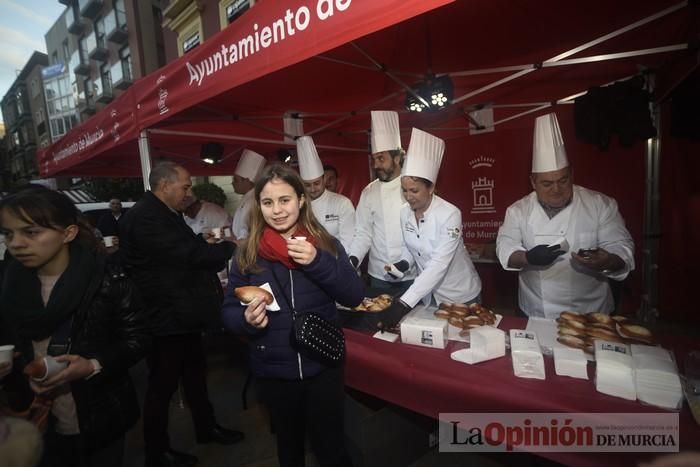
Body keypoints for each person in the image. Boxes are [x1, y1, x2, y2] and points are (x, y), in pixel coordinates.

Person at [222, 164, 362, 467]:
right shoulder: (247, 254)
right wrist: (245, 321)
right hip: (274, 370)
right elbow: (229, 310)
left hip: (323, 365)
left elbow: (353, 296)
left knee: (332, 448)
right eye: (268, 202)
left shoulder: (324, 244)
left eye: (285, 200)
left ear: (301, 199)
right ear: (258, 205)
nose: (277, 210)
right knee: (289, 448)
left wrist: (317, 262)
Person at [0, 186, 150, 467]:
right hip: (31, 421)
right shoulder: (7, 286)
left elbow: (139, 338)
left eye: (31, 232)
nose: (16, 243)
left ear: (68, 233)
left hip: (99, 417)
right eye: (8, 233)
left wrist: (93, 364)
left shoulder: (109, 279)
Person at [120, 162, 243, 467]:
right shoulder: (147, 217)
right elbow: (187, 256)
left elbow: (186, 246)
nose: (189, 193)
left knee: (195, 374)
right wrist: (229, 249)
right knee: (162, 385)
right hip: (164, 315)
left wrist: (206, 243)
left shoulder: (162, 213)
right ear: (164, 186)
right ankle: (156, 451)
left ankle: (206, 427)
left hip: (181, 313)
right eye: (185, 186)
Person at [496, 113, 635, 318]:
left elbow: (621, 245)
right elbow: (505, 246)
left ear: (572, 173)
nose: (556, 190)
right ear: (533, 182)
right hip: (536, 311)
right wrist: (527, 257)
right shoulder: (518, 210)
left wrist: (606, 261)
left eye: (563, 180)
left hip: (590, 313)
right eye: (546, 183)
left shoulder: (600, 204)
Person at [378, 129, 482, 329]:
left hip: (460, 295)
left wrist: (403, 303)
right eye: (404, 190)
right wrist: (403, 263)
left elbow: (438, 264)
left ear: (431, 187)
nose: (408, 196)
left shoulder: (450, 214)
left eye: (414, 190)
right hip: (428, 295)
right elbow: (412, 247)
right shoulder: (404, 212)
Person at [348, 111, 415, 295]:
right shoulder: (369, 191)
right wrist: (353, 259)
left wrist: (405, 262)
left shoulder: (412, 186)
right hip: (379, 274)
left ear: (396, 158)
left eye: (381, 159)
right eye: (374, 159)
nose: (376, 165)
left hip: (411, 272)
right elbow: (363, 232)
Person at [296, 136, 355, 251]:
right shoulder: (298, 206)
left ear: (324, 180)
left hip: (338, 262)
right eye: (307, 185)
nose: (312, 189)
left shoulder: (342, 203)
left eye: (316, 183)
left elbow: (349, 242)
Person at [231, 149, 267, 241]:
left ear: (246, 180)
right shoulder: (247, 197)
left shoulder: (254, 200)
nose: (232, 183)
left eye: (235, 180)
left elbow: (247, 230)